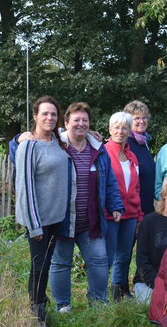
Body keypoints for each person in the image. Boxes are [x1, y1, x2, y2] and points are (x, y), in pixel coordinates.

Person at [49, 102, 124, 312]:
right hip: (62, 220)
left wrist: (116, 205)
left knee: (100, 260)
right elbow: (18, 147)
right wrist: (20, 137)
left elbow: (109, 181)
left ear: (90, 124)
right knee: (61, 263)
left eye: (85, 120)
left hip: (91, 221)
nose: (80, 124)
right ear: (66, 124)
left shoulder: (98, 150)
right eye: (76, 120)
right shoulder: (56, 147)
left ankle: (98, 302)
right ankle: (63, 306)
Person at [15, 96, 71, 323]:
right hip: (38, 220)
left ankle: (40, 301)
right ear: (35, 116)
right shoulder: (28, 146)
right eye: (45, 114)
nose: (50, 117)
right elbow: (24, 187)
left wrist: (94, 135)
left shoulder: (57, 142)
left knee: (46, 264)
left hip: (56, 217)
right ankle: (36, 311)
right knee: (38, 267)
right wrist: (34, 224)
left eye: (54, 114)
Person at [104, 111, 142, 301]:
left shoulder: (132, 156)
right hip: (111, 213)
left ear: (129, 131)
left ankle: (118, 291)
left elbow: (136, 187)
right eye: (117, 127)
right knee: (108, 256)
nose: (120, 131)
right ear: (110, 129)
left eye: (124, 127)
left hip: (131, 213)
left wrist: (139, 215)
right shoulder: (103, 153)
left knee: (124, 255)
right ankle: (99, 293)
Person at [134, 176, 167, 304]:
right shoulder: (149, 221)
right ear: (164, 194)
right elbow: (142, 260)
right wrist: (158, 285)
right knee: (162, 306)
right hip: (147, 283)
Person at [124, 100, 156, 216]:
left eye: (145, 118)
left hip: (147, 205)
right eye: (137, 118)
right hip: (133, 209)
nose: (141, 121)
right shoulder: (126, 144)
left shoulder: (144, 142)